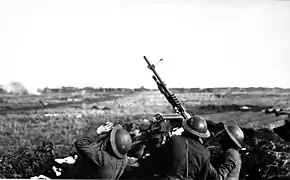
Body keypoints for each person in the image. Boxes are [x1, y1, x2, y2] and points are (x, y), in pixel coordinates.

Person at [137, 115, 213, 180]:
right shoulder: (205, 153)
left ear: (186, 129)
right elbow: (204, 176)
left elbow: (156, 160)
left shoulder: (175, 140)